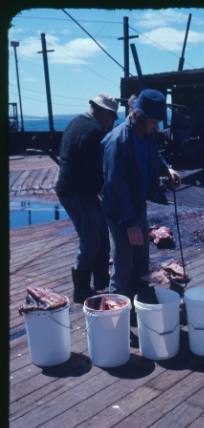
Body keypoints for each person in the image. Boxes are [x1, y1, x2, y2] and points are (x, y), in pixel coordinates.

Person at [101, 89, 180, 307]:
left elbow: (154, 155)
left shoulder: (146, 134)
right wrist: (129, 224)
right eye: (154, 121)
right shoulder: (116, 141)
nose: (157, 126)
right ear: (140, 117)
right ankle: (117, 321)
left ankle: (140, 310)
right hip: (119, 213)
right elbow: (115, 186)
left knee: (141, 263)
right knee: (123, 267)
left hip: (137, 207)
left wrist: (168, 170)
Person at [55, 93, 118, 303]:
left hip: (77, 188)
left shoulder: (77, 122)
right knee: (90, 238)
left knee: (100, 229)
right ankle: (81, 290)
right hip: (76, 191)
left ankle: (100, 281)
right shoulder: (93, 132)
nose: (113, 122)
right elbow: (95, 171)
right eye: (112, 117)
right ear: (103, 112)